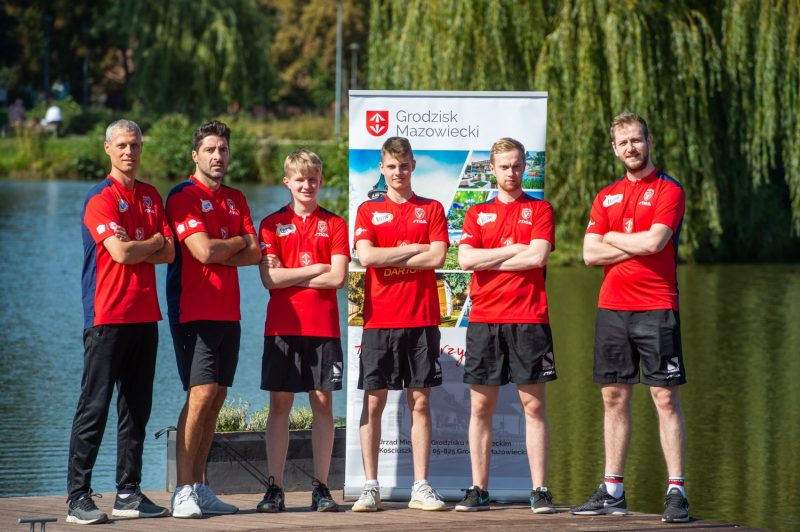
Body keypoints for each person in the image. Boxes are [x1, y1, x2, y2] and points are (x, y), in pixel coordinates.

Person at [571, 111, 689, 523]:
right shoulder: (606, 196)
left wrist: (612, 238)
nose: (631, 147)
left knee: (665, 398)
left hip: (657, 306)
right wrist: (631, 243)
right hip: (612, 308)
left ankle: (677, 492)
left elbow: (656, 242)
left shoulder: (669, 189)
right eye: (623, 142)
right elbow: (589, 254)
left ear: (649, 141)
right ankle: (613, 491)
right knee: (613, 397)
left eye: (636, 140)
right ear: (614, 149)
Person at [68, 119, 174, 524]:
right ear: (107, 148)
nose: (129, 152)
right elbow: (121, 253)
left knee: (136, 410)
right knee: (93, 408)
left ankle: (128, 493)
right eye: (122, 145)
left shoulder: (150, 196)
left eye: (135, 145)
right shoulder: (101, 197)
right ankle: (78, 498)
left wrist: (144, 245)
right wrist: (152, 243)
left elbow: (170, 253)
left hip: (145, 317)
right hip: (106, 317)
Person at [455, 137, 558, 513]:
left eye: (517, 166)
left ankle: (540, 490)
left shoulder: (540, 208)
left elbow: (537, 257)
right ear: (492, 169)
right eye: (504, 166)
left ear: (525, 166)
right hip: (485, 319)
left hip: (529, 318)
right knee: (481, 408)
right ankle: (478, 489)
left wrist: (492, 258)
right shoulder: (476, 213)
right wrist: (514, 249)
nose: (511, 172)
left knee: (533, 406)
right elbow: (466, 260)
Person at [165, 120, 261, 518]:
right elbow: (202, 251)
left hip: (228, 310)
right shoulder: (183, 196)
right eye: (209, 150)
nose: (217, 156)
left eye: (222, 149)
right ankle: (182, 490)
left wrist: (231, 248)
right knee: (200, 394)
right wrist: (236, 242)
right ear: (195, 155)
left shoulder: (236, 198)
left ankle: (201, 486)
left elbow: (256, 253)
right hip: (193, 310)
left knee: (217, 397)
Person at [351, 136, 449, 512]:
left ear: (413, 167)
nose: (398, 173)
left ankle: (420, 486)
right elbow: (366, 257)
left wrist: (393, 254)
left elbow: (437, 257)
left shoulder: (432, 208)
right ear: (382, 168)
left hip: (422, 319)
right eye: (391, 167)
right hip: (380, 320)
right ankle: (370, 486)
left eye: (404, 166)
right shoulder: (367, 210)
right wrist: (413, 249)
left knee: (420, 402)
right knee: (374, 402)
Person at [255, 149, 349, 513]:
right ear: (287, 182)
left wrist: (290, 275)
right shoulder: (270, 224)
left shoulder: (335, 224)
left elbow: (337, 278)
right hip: (282, 326)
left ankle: (321, 487)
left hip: (323, 328)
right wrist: (316, 269)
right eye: (299, 179)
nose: (307, 185)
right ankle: (275, 487)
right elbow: (269, 279)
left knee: (323, 403)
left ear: (320, 181)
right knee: (279, 404)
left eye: (313, 179)